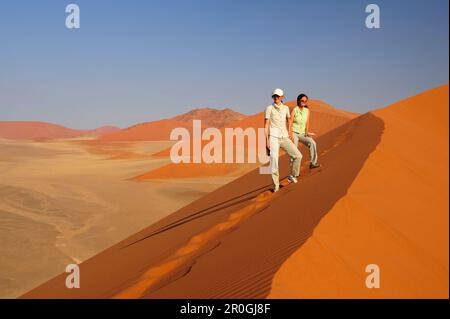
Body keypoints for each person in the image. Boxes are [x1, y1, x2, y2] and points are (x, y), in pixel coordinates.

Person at [265, 88, 302, 193]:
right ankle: (276, 186)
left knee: (298, 156)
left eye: (278, 96)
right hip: (273, 137)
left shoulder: (286, 108)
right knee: (274, 162)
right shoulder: (269, 108)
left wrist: (290, 132)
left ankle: (292, 176)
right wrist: (266, 140)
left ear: (282, 97)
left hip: (285, 137)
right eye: (274, 96)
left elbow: (289, 120)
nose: (276, 98)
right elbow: (266, 125)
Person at [289, 93, 321, 169]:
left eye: (305, 101)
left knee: (312, 143)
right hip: (294, 132)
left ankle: (313, 163)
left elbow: (307, 122)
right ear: (298, 101)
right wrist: (290, 134)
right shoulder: (294, 110)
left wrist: (307, 132)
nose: (304, 102)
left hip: (303, 133)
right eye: (302, 100)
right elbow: (290, 122)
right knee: (294, 151)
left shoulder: (307, 111)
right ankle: (294, 171)